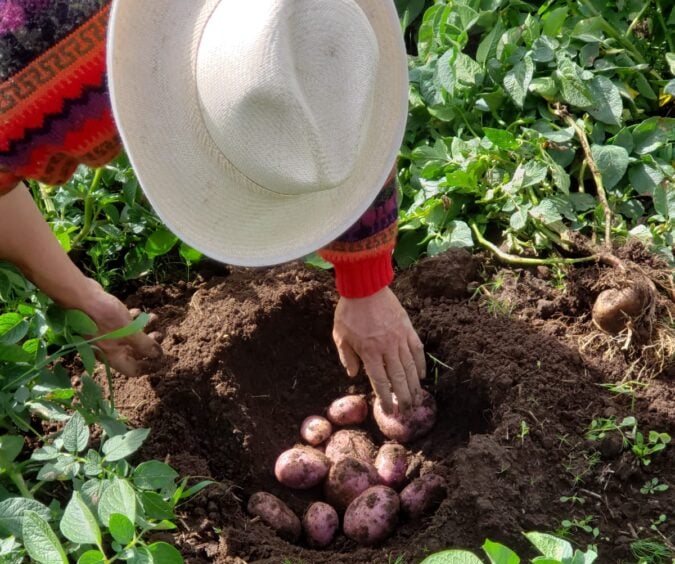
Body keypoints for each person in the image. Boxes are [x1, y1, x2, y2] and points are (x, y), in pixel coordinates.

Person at [0, 0, 425, 412]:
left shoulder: (314, 21)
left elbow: (334, 84)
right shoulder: (33, 74)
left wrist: (365, 283)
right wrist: (79, 295)